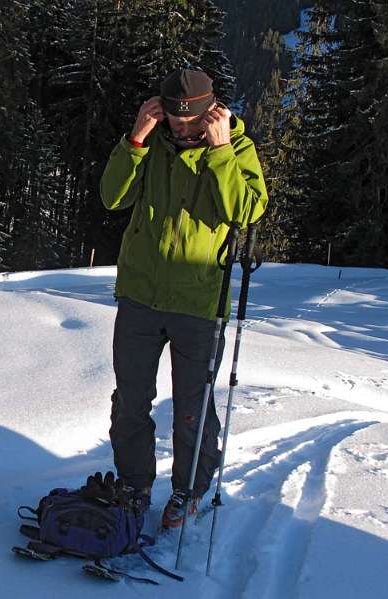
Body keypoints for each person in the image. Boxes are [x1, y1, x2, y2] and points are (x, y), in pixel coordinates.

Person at [99, 68, 268, 529]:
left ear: (211, 111)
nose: (182, 127)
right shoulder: (150, 142)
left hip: (199, 303)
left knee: (192, 406)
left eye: (190, 120)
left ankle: (188, 490)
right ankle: (134, 486)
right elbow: (112, 198)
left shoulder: (236, 148)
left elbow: (247, 210)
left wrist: (220, 151)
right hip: (139, 297)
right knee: (131, 401)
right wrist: (134, 140)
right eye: (174, 118)